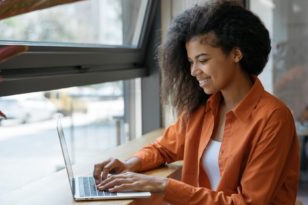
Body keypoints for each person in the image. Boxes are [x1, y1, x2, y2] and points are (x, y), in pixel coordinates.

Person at [93, 1, 300, 204]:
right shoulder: (203, 108)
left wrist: (161, 185)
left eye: (203, 60)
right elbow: (163, 148)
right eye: (191, 62)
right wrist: (129, 164)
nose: (193, 71)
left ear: (236, 54)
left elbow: (247, 203)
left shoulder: (274, 118)